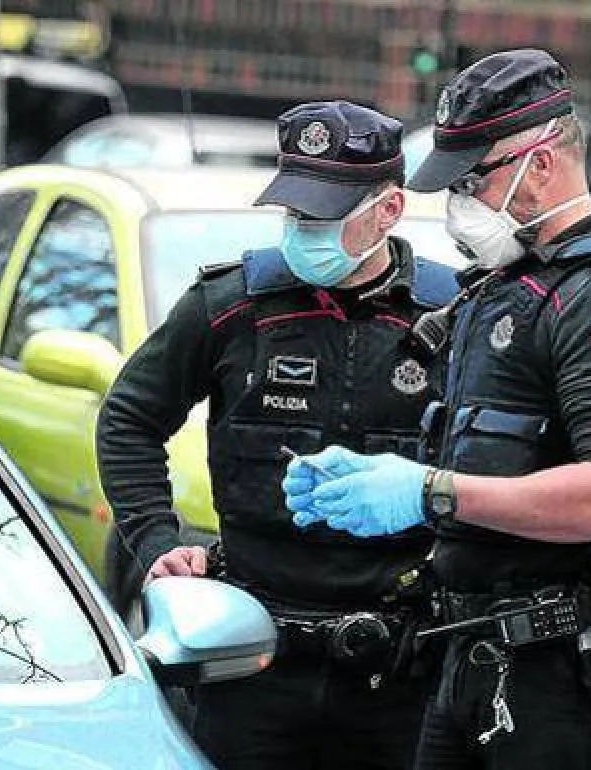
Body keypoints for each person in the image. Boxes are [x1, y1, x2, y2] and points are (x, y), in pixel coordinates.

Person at [283, 49, 591, 769]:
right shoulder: (504, 287)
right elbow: (475, 454)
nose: (460, 203)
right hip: (476, 650)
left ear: (541, 163)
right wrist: (385, 479)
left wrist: (429, 495)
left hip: (567, 667)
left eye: (474, 180)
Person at [95, 100, 458, 769]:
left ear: (389, 210)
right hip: (251, 656)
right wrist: (155, 541)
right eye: (295, 212)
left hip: (398, 667)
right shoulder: (231, 307)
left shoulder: (450, 318)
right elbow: (128, 419)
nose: (304, 229)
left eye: (324, 215)